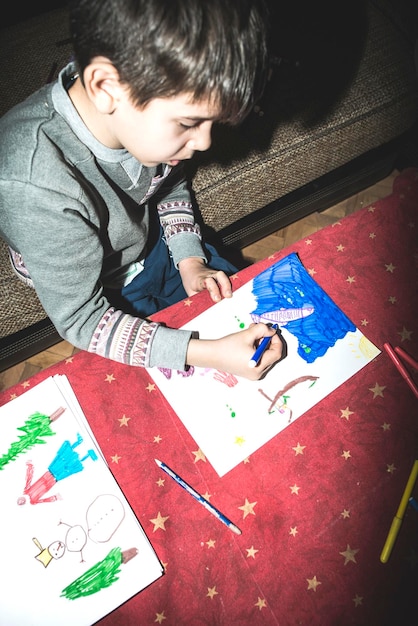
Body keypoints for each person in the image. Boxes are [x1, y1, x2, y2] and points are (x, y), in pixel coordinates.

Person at [0, 0, 282, 379]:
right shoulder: (31, 183)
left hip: (154, 247)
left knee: (238, 298)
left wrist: (190, 260)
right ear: (106, 87)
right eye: (188, 122)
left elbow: (170, 185)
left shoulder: (142, 125)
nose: (204, 143)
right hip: (99, 289)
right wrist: (206, 354)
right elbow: (83, 319)